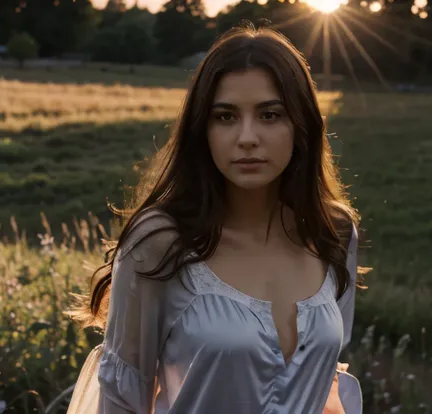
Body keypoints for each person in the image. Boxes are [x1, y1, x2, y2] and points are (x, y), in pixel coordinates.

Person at [69, 21, 366, 414]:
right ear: (202, 129)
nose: (246, 137)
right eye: (225, 117)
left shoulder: (334, 233)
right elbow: (122, 401)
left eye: (270, 115)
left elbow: (326, 383)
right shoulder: (159, 243)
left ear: (301, 125)